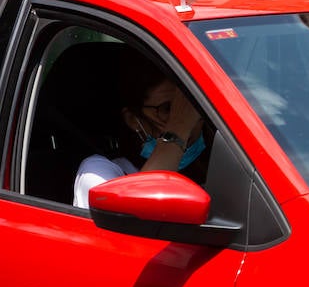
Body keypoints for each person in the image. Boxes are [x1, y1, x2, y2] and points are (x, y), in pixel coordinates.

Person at [73, 47, 210, 208]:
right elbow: (136, 217)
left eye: (191, 107)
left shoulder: (224, 165)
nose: (189, 120)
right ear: (133, 119)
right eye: (167, 109)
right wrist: (178, 129)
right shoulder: (99, 173)